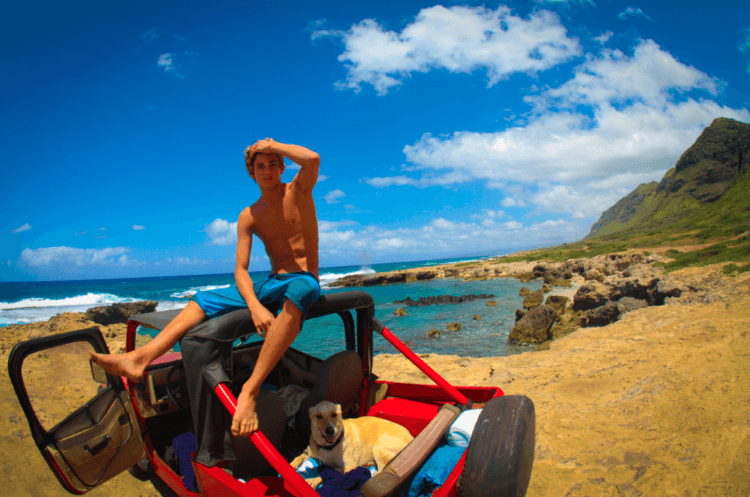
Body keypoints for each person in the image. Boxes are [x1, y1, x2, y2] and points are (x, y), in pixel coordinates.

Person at [90, 138, 321, 439]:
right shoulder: (249, 215)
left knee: (301, 290)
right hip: (272, 283)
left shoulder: (298, 190)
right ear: (252, 173)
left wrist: (273, 144)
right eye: (260, 166)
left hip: (304, 278)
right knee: (201, 300)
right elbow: (240, 270)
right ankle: (140, 357)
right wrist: (254, 305)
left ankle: (249, 392)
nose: (267, 171)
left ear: (281, 167)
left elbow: (313, 159)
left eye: (272, 165)